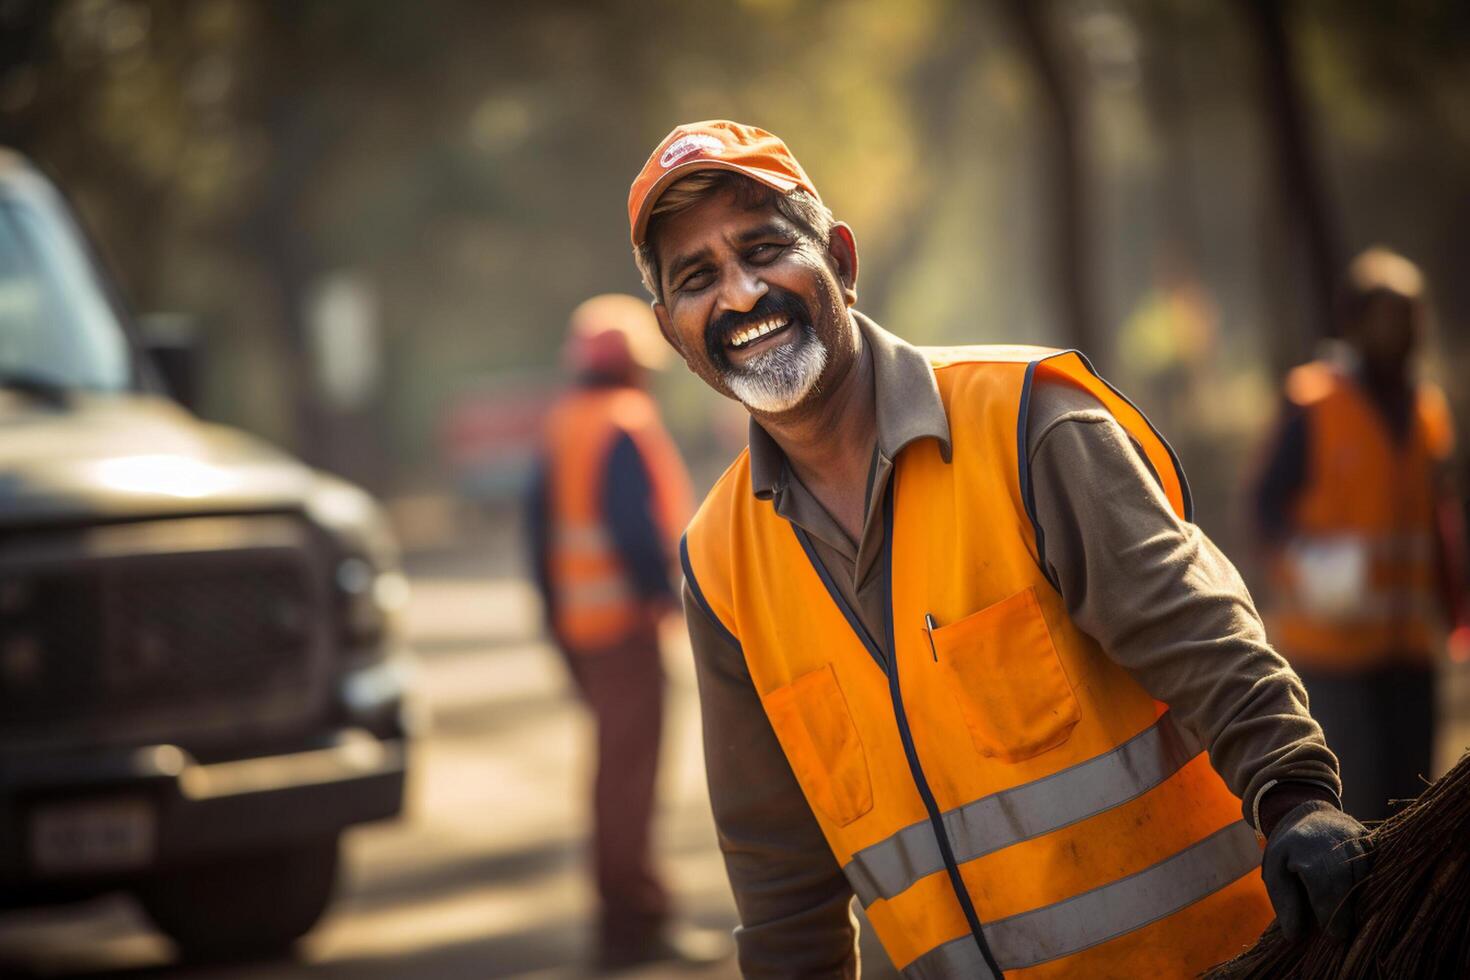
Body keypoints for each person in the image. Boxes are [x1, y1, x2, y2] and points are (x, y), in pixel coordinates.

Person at [626, 120, 1371, 978]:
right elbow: (780, 877)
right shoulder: (719, 564)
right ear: (671, 329)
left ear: (841, 258)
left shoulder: (1027, 422)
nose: (741, 293)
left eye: (763, 248)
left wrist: (1294, 794)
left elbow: (1195, 631)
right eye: (697, 277)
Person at [524, 294, 711, 970]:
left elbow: (538, 537)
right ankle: (634, 921)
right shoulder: (623, 423)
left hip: (581, 629)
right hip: (625, 631)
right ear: (632, 366)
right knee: (629, 776)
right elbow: (632, 531)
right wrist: (663, 600)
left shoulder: (562, 425)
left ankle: (629, 912)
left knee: (613, 771)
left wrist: (555, 625)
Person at [1251, 248, 1467, 823]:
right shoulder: (1312, 402)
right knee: (1357, 811)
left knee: (1414, 812)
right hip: (1332, 657)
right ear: (1355, 321)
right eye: (1389, 314)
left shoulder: (1427, 408)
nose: (1403, 329)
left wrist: (1455, 606)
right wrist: (1312, 571)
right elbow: (1264, 509)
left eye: (1411, 314)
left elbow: (1438, 518)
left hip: (1412, 650)